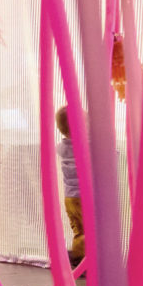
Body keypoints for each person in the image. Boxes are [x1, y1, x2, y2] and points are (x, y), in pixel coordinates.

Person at [56, 105, 83, 265]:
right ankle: (78, 258)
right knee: (91, 231)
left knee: (79, 230)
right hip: (82, 197)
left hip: (70, 198)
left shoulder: (62, 147)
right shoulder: (82, 146)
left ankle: (78, 256)